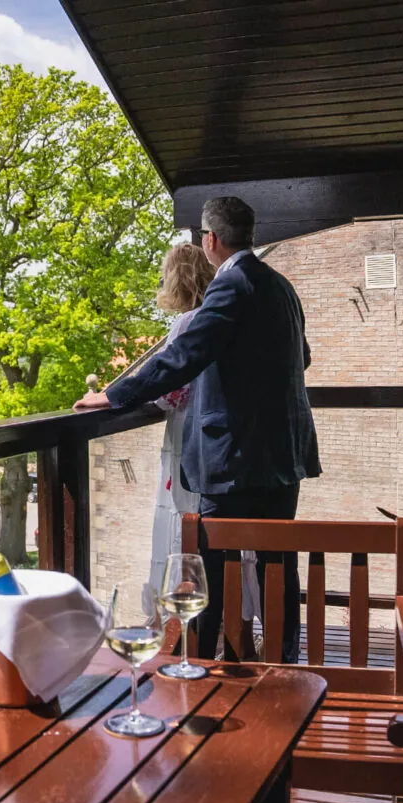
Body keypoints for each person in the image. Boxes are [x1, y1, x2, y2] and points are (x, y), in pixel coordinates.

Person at [76, 196, 319, 664]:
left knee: (211, 564)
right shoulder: (281, 286)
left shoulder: (231, 286)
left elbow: (183, 357)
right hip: (285, 453)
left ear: (211, 240)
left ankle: (202, 662)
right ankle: (283, 661)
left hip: (234, 458)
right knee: (277, 562)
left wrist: (113, 395)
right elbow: (301, 358)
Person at [142, 244, 261, 657]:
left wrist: (119, 397)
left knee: (192, 536)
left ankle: (192, 642)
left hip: (192, 446)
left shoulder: (188, 324)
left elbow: (169, 391)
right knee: (229, 541)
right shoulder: (227, 319)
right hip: (227, 449)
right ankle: (238, 635)